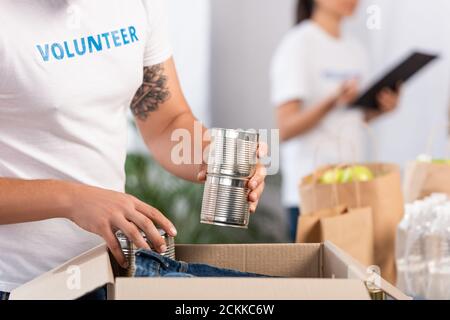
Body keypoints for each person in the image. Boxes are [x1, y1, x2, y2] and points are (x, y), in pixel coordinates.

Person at [0, 0, 266, 298]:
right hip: (18, 283)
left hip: (110, 271)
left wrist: (211, 154)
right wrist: (71, 199)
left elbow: (165, 121)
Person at [270, 0, 401, 242]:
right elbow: (285, 128)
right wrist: (331, 101)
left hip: (353, 189)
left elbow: (351, 118)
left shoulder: (356, 49)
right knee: (315, 278)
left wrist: (381, 109)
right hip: (311, 192)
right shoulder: (299, 44)